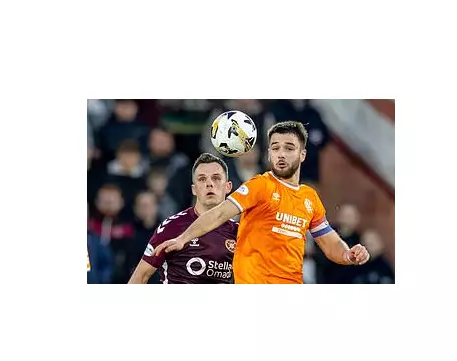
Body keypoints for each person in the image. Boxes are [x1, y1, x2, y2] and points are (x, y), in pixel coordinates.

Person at [154, 121, 371, 284]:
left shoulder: (310, 197)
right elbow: (219, 213)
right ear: (268, 154)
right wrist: (183, 238)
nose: (281, 154)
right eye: (275, 148)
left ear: (303, 154)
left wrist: (347, 254)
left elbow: (329, 241)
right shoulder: (260, 185)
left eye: (289, 148)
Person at [128, 153, 238, 284]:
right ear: (194, 189)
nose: (209, 184)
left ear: (228, 187)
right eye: (202, 179)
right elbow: (140, 277)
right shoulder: (172, 226)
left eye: (216, 178)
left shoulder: (238, 231)